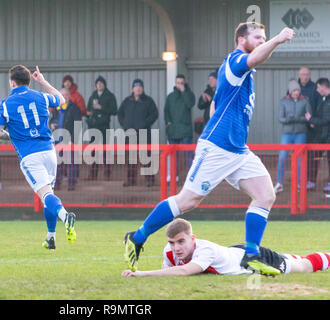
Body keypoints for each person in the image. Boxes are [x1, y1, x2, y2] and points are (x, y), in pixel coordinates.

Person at [123, 22, 295, 275]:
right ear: (241, 39)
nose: (261, 41)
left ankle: (251, 254)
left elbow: (215, 105)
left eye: (264, 37)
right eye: (257, 37)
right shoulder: (237, 60)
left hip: (237, 150)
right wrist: (278, 39)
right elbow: (256, 57)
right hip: (217, 148)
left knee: (265, 195)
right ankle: (137, 237)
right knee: (188, 200)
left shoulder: (240, 73)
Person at [0, 65, 76, 250]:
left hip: (30, 156)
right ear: (29, 81)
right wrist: (44, 82)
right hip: (49, 152)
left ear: (12, 82)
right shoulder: (40, 96)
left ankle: (65, 216)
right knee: (49, 195)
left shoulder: (6, 104)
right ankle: (51, 237)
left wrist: (11, 134)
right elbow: (62, 99)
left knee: (46, 195)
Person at [122, 218, 329, 277]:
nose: (176, 248)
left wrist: (141, 274)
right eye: (172, 243)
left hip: (253, 260)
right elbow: (169, 272)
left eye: (181, 241)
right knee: (292, 259)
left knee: (304, 266)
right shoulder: (169, 252)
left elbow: (184, 271)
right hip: (233, 251)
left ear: (193, 239)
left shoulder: (205, 250)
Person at [118, 79, 159, 187]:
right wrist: (125, 125)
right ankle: (131, 180)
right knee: (131, 158)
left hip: (144, 134)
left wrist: (144, 124)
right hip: (130, 134)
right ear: (132, 89)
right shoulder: (127, 101)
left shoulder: (148, 101)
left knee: (146, 157)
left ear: (143, 88)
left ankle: (150, 180)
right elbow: (120, 114)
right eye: (136, 87)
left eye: (140, 86)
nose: (138, 88)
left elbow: (155, 114)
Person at [273, 80, 311, 193]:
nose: (296, 92)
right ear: (290, 91)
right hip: (287, 133)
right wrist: (289, 119)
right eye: (294, 90)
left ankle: (299, 183)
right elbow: (281, 118)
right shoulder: (283, 101)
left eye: (298, 90)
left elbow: (308, 117)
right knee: (282, 157)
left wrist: (296, 119)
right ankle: (279, 183)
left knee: (300, 159)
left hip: (301, 133)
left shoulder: (305, 101)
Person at [85, 76, 118, 180]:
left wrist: (102, 108)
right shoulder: (93, 95)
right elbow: (88, 108)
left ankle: (107, 173)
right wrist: (88, 114)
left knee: (105, 150)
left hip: (104, 126)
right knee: (93, 151)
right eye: (98, 83)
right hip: (93, 127)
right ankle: (93, 174)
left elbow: (114, 110)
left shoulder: (109, 96)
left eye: (101, 83)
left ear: (104, 84)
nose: (99, 85)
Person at [164, 74, 196, 181]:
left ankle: (191, 177)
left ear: (185, 83)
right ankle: (174, 175)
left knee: (188, 154)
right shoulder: (170, 97)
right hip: (173, 130)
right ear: (175, 83)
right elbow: (166, 111)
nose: (179, 85)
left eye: (182, 83)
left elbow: (190, 104)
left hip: (185, 129)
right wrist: (168, 123)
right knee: (174, 155)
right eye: (178, 83)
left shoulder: (189, 95)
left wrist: (184, 92)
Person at [51, 88, 82, 191]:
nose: (64, 97)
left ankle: (71, 184)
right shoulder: (57, 108)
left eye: (65, 95)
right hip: (58, 140)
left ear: (69, 96)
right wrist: (52, 124)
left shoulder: (75, 109)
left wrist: (72, 140)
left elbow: (78, 125)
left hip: (69, 141)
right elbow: (52, 119)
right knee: (58, 163)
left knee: (71, 163)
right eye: (62, 95)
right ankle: (57, 183)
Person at [305, 77, 330, 195]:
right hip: (321, 136)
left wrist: (312, 120)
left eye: (319, 87)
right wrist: (314, 122)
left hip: (328, 137)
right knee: (314, 158)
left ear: (324, 87)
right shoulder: (322, 99)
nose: (317, 90)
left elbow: (327, 120)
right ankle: (311, 181)